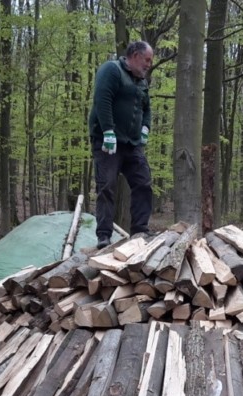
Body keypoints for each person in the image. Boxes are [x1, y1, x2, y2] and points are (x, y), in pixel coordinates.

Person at [88, 40, 155, 249]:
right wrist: (108, 130)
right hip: (108, 142)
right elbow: (102, 99)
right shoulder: (112, 70)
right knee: (107, 185)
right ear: (135, 55)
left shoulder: (141, 81)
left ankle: (140, 231)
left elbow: (147, 108)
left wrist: (145, 128)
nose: (149, 65)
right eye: (147, 60)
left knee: (143, 182)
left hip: (132, 144)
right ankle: (104, 236)